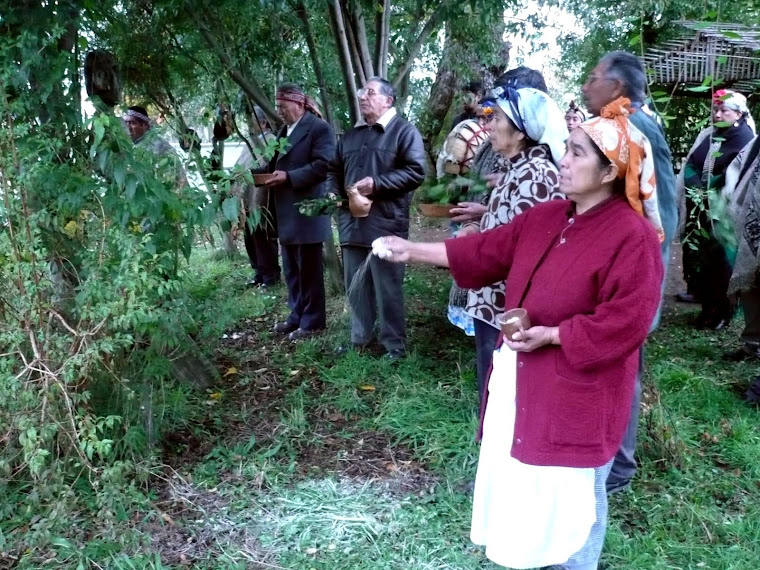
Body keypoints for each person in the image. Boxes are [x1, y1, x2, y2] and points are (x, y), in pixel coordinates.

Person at [372, 97, 663, 570]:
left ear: (610, 172)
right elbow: (486, 251)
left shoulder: (632, 238)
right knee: (527, 491)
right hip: (523, 382)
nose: (562, 161)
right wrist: (411, 250)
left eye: (576, 154)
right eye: (565, 148)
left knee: (573, 508)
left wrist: (554, 336)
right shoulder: (548, 216)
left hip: (578, 397)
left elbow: (628, 321)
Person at [582, 50, 677, 494]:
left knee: (623, 363)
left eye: (594, 77)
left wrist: (639, 273)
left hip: (633, 271)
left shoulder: (640, 129)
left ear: (617, 88)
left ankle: (619, 465)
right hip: (610, 265)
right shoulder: (612, 126)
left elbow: (664, 212)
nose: (586, 84)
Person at [452, 86, 567, 404]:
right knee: (490, 381)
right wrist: (482, 217)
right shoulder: (517, 171)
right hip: (493, 303)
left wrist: (469, 247)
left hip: (507, 308)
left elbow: (528, 250)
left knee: (503, 391)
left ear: (519, 131)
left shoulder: (535, 176)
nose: (488, 125)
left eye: (498, 118)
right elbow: (516, 225)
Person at [326, 77, 426, 359]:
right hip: (351, 221)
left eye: (370, 93)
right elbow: (332, 170)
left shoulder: (403, 132)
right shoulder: (351, 135)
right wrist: (333, 194)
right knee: (355, 285)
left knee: (387, 287)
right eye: (361, 92)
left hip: (386, 222)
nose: (362, 97)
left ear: (388, 100)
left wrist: (377, 184)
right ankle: (360, 339)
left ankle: (394, 345)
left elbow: (416, 171)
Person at [257, 84, 336, 341]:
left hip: (307, 209)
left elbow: (324, 165)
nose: (279, 111)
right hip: (286, 211)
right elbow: (274, 163)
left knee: (309, 269)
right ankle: (296, 315)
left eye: (283, 106)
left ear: (299, 105)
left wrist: (289, 177)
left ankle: (313, 321)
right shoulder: (283, 130)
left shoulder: (318, 128)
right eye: (277, 106)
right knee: (291, 268)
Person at [677, 89, 755, 330]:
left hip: (723, 211)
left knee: (720, 260)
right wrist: (695, 185)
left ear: (740, 114)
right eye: (716, 110)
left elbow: (737, 172)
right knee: (700, 255)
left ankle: (722, 311)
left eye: (724, 110)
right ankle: (704, 303)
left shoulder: (746, 139)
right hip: (699, 206)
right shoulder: (708, 135)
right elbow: (691, 162)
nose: (718, 114)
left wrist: (710, 187)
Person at [235, 107, 281, 289]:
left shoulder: (271, 142)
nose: (248, 125)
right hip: (245, 200)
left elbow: (267, 168)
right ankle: (259, 273)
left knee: (263, 236)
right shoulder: (251, 143)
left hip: (262, 199)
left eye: (250, 121)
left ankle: (271, 275)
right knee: (249, 237)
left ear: (262, 123)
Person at [724, 135, 760, 363]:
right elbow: (740, 164)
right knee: (751, 288)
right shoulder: (756, 141)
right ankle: (752, 344)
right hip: (753, 226)